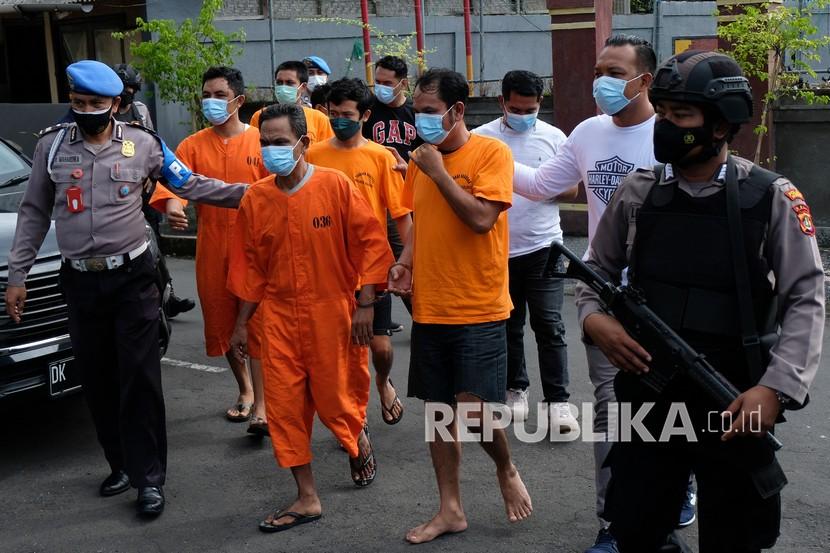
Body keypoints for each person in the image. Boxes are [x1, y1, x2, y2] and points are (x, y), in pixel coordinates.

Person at [577, 49, 825, 553]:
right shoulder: (638, 193)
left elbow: (806, 295)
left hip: (734, 396)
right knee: (636, 525)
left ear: (719, 126)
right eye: (662, 113)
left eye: (680, 116)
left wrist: (775, 390)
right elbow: (595, 269)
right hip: (647, 390)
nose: (666, 126)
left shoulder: (770, 197)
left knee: (736, 534)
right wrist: (594, 320)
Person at [4, 60, 249, 518]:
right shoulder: (51, 148)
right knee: (97, 377)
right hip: (79, 279)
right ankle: (119, 464)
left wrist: (250, 194)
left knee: (139, 377)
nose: (86, 111)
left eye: (96, 104)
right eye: (78, 103)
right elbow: (34, 212)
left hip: (133, 278)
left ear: (115, 104)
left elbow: (189, 183)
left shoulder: (143, 145)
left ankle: (149, 478)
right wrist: (17, 275)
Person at [511, 35, 696, 552]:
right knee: (613, 414)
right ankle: (614, 523)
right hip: (607, 299)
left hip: (671, 303)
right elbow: (542, 183)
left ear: (646, 80)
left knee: (672, 407)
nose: (602, 81)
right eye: (598, 69)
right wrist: (481, 155)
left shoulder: (671, 135)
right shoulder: (588, 133)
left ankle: (680, 485)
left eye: (615, 71)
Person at [226, 103, 394, 532]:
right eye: (264, 143)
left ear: (303, 143)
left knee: (338, 399)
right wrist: (241, 323)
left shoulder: (335, 187)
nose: (270, 151)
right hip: (277, 319)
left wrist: (365, 304)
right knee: (284, 411)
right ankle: (307, 497)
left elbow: (371, 245)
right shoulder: (256, 199)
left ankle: (357, 439)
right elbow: (250, 268)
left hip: (331, 314)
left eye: (279, 143)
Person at [388, 68, 532, 544]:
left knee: (471, 411)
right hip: (430, 305)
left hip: (479, 304)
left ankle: (506, 468)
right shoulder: (419, 162)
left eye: (431, 112)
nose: (422, 122)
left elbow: (479, 219)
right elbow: (421, 225)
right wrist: (405, 263)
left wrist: (438, 172)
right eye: (418, 112)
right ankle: (450, 508)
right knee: (438, 414)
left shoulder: (491, 153)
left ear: (457, 111)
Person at [147, 66, 269, 434]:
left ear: (239, 100)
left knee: (258, 325)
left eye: (219, 95)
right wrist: (172, 204)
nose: (211, 102)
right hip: (213, 247)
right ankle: (245, 390)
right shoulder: (192, 145)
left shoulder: (262, 141)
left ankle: (263, 406)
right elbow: (171, 180)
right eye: (206, 95)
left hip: (255, 248)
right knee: (223, 322)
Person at [472, 70, 577, 432]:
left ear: (540, 104)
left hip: (544, 245)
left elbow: (571, 190)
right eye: (516, 108)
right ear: (502, 102)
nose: (523, 114)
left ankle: (558, 403)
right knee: (508, 325)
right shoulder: (479, 138)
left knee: (549, 324)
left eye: (530, 108)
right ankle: (516, 388)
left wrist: (534, 185)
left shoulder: (554, 137)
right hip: (497, 249)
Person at [306, 78, 413, 425]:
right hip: (327, 269)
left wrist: (408, 263)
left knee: (380, 348)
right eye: (333, 113)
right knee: (340, 352)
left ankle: (382, 382)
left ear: (365, 115)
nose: (339, 120)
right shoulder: (313, 155)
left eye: (347, 114)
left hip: (371, 266)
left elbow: (400, 216)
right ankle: (355, 414)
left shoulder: (380, 157)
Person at [112, 63, 195, 320]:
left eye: (131, 89)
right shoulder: (105, 115)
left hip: (145, 191)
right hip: (118, 194)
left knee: (153, 245)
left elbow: (153, 146)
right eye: (123, 89)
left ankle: (167, 297)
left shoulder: (140, 110)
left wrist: (156, 181)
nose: (127, 94)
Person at [363, 55, 423, 322]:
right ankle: (381, 321)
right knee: (374, 257)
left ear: (403, 84)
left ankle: (421, 316)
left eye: (388, 82)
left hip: (407, 196)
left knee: (405, 258)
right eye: (377, 82)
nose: (381, 87)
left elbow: (427, 155)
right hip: (374, 194)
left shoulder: (414, 115)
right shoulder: (369, 112)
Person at [249, 61, 334, 145]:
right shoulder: (260, 116)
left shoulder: (319, 119)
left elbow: (327, 152)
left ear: (303, 87)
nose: (283, 87)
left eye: (289, 83)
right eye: (279, 83)